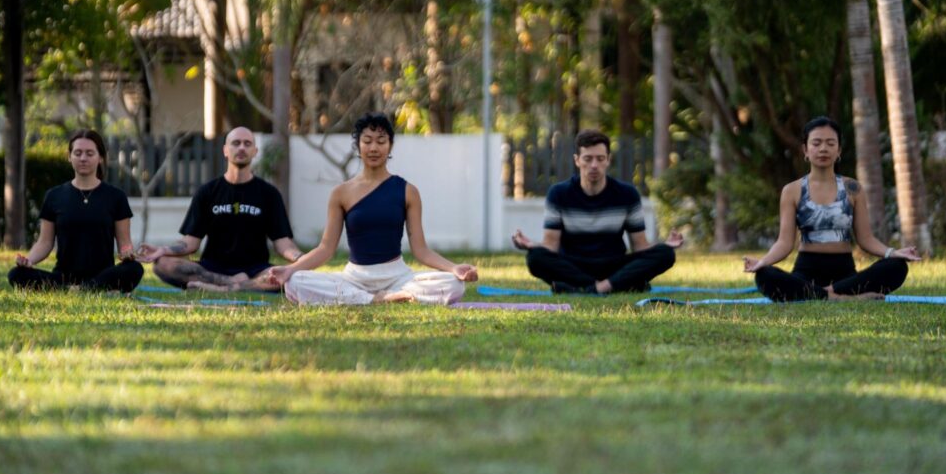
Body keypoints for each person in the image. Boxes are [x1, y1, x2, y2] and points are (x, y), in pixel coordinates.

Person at [202, 112, 478, 305]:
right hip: (355, 279)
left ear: (390, 146)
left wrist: (454, 268)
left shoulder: (407, 191)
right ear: (357, 146)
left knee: (453, 286)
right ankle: (374, 300)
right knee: (295, 284)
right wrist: (291, 270)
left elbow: (421, 250)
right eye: (367, 141)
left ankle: (381, 298)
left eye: (381, 141)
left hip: (398, 277)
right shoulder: (341, 193)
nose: (373, 147)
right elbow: (325, 249)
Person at [743, 116, 920, 302]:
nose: (823, 149)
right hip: (806, 271)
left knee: (897, 267)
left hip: (845, 275)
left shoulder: (853, 188)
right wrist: (762, 262)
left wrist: (893, 253)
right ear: (805, 150)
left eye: (830, 143)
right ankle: (842, 297)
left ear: (839, 150)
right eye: (816, 143)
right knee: (765, 276)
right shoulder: (792, 191)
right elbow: (784, 243)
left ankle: (820, 294)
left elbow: (866, 239)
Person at [511, 129, 683, 294]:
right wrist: (531, 245)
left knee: (666, 254)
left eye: (600, 159)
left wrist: (665, 246)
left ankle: (589, 288)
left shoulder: (627, 194)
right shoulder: (558, 194)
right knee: (535, 258)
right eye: (588, 159)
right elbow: (551, 246)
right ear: (577, 160)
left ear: (608, 160)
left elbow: (640, 246)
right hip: (574, 265)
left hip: (614, 265)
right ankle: (617, 285)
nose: (594, 165)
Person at [136, 126, 302, 290]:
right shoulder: (207, 192)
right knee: (163, 264)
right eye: (236, 143)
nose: (242, 148)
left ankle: (221, 286)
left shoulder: (269, 194)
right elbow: (191, 242)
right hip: (212, 268)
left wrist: (302, 258)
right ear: (225, 150)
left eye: (247, 144)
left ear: (255, 151)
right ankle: (234, 284)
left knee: (292, 275)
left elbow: (283, 243)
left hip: (256, 269)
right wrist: (162, 250)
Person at [8, 129, 144, 293]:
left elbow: (124, 243)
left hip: (102, 275)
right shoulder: (54, 196)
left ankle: (81, 289)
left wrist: (127, 254)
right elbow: (45, 242)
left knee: (134, 269)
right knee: (16, 274)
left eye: (89, 153)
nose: (83, 158)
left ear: (100, 157)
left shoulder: (116, 197)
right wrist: (28, 260)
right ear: (69, 156)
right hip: (63, 277)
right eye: (78, 153)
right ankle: (84, 290)